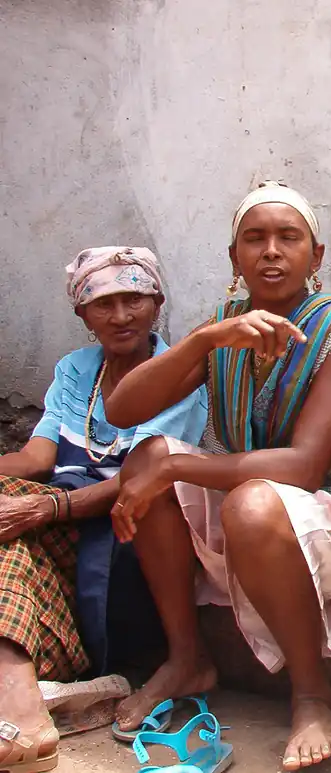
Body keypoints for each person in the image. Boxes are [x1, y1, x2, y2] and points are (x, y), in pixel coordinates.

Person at [102, 182, 331, 771]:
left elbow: (304, 467)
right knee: (146, 457)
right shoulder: (227, 325)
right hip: (251, 501)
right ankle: (186, 657)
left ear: (317, 254)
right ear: (234, 257)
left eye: (289, 238)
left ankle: (312, 694)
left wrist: (177, 466)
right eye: (254, 239)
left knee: (242, 499)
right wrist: (204, 340)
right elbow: (122, 410)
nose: (272, 252)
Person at [0, 247, 207, 773]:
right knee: (12, 540)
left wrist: (45, 508)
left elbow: (141, 479)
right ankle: (18, 693)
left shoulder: (177, 375)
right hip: (65, 521)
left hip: (128, 533)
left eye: (133, 299)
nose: (120, 316)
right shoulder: (76, 370)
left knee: (16, 531)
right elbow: (37, 458)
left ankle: (19, 700)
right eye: (103, 304)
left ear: (157, 302)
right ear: (82, 314)